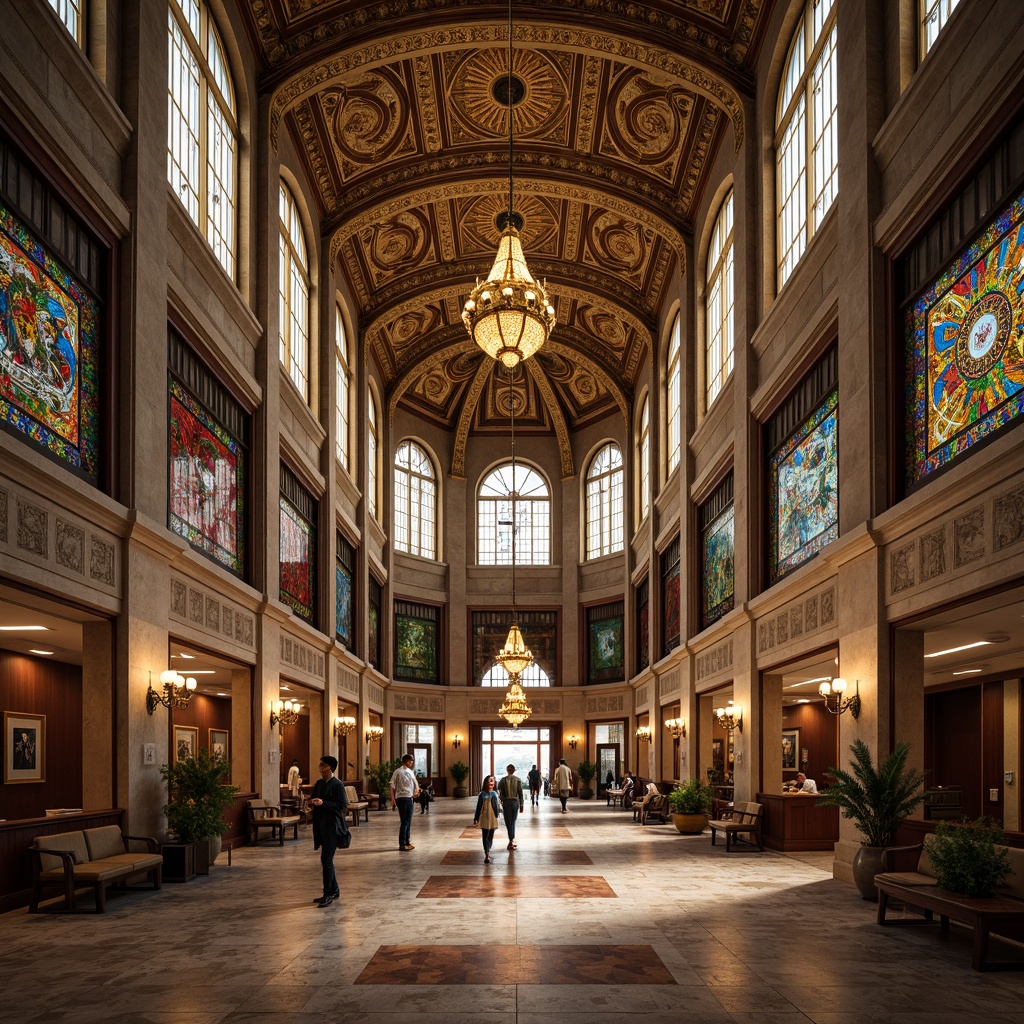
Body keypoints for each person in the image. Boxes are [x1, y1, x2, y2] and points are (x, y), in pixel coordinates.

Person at [309, 755, 348, 908]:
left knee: (326, 859)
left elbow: (342, 805)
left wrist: (324, 803)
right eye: (320, 765)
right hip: (320, 826)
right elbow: (314, 799)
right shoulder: (319, 783)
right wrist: (312, 802)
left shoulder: (337, 784)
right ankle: (335, 889)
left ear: (330, 768)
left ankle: (328, 894)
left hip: (332, 826)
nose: (320, 768)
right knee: (326, 859)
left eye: (323, 766)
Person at [390, 753, 420, 851]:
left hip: (409, 798)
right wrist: (393, 799)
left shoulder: (410, 772)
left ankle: (407, 842)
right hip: (401, 798)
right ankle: (402, 844)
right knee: (404, 822)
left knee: (409, 821)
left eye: (412, 761)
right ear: (405, 761)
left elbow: (414, 783)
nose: (411, 763)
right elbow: (392, 785)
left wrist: (416, 792)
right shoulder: (398, 771)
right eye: (409, 761)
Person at [473, 775, 500, 863]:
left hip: (493, 817)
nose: (491, 782)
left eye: (492, 781)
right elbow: (478, 807)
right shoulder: (482, 794)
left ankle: (488, 849)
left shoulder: (495, 793)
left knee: (491, 835)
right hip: (484, 816)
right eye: (489, 781)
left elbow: (497, 807)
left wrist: (500, 814)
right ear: (485, 783)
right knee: (485, 835)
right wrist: (476, 818)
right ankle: (486, 853)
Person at [497, 764, 524, 849]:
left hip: (506, 802)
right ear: (514, 771)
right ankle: (511, 840)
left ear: (507, 770)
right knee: (513, 821)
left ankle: (511, 840)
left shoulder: (503, 780)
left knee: (508, 822)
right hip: (515, 802)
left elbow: (498, 789)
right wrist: (522, 804)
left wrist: (501, 798)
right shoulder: (518, 780)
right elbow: (520, 793)